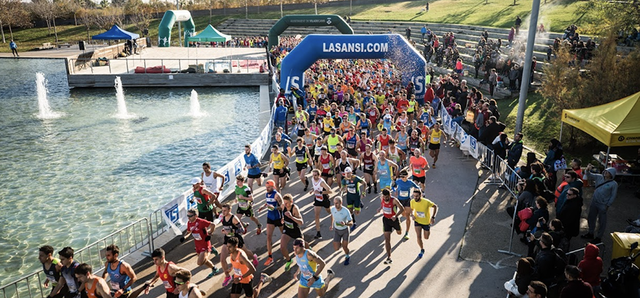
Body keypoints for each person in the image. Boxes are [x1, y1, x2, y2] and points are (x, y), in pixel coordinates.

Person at [218, 204, 258, 287]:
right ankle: (227, 276)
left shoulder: (234, 218)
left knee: (246, 252)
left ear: (229, 210)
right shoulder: (223, 218)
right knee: (222, 259)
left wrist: (231, 231)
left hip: (236, 240)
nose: (223, 212)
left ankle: (254, 258)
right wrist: (224, 230)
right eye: (222, 210)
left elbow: (242, 230)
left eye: (225, 210)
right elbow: (226, 228)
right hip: (227, 240)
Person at [581, 166, 618, 244]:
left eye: (608, 172)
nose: (605, 173)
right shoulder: (599, 177)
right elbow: (590, 175)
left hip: (603, 204)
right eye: (605, 171)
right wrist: (587, 170)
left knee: (602, 221)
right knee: (591, 217)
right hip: (594, 201)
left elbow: (613, 195)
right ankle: (590, 233)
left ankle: (599, 237)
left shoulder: (614, 184)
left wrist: (608, 205)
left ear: (611, 175)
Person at [180, 208, 221, 277]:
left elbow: (212, 225)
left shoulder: (201, 222)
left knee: (200, 262)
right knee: (204, 261)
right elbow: (189, 232)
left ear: (195, 216)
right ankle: (214, 268)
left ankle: (210, 250)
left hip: (205, 243)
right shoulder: (189, 223)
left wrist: (210, 233)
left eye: (190, 216)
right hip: (197, 244)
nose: (188, 218)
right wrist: (184, 237)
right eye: (188, 216)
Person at [258, 180, 283, 266]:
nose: (267, 189)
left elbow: (283, 207)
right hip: (270, 218)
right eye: (266, 187)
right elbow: (268, 202)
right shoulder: (267, 194)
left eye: (269, 187)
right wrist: (264, 206)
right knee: (268, 237)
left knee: (284, 234)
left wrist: (275, 208)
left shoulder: (277, 195)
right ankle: (270, 256)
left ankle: (288, 247)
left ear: (273, 187)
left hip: (278, 218)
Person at [378, 189, 405, 265]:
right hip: (386, 220)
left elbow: (402, 208)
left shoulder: (394, 200)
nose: (386, 198)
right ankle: (389, 257)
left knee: (399, 233)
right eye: (384, 197)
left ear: (390, 195)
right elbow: (382, 204)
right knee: (387, 239)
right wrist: (380, 208)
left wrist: (395, 216)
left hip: (394, 220)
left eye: (387, 197)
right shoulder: (381, 198)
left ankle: (398, 228)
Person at [410, 189, 438, 259]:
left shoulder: (426, 202)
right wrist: (412, 215)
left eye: (416, 196)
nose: (415, 197)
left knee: (426, 237)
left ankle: (428, 231)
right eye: (414, 196)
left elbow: (435, 206)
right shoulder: (412, 201)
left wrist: (433, 217)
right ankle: (422, 249)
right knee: (418, 236)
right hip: (417, 221)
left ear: (420, 195)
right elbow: (411, 209)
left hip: (426, 222)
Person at [394, 170, 421, 240]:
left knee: (408, 216)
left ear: (406, 176)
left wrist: (418, 194)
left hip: (407, 200)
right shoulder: (398, 181)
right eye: (401, 177)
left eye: (403, 176)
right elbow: (393, 186)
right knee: (403, 214)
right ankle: (401, 219)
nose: (402, 178)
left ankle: (407, 232)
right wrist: (395, 191)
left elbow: (417, 187)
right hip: (400, 200)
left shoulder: (410, 182)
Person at [280, 194, 304, 272]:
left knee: (303, 247)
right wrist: (283, 219)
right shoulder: (284, 206)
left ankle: (308, 252)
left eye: (287, 203)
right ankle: (289, 260)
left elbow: (301, 222)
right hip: (287, 229)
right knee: (282, 246)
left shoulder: (295, 208)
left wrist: (291, 217)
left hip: (295, 230)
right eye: (284, 203)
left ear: (291, 202)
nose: (285, 204)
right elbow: (283, 214)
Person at [340, 167, 366, 231]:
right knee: (350, 211)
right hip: (349, 197)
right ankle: (354, 223)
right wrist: (342, 192)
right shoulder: (344, 180)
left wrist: (363, 192)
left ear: (351, 173)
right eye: (346, 173)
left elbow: (364, 183)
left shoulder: (355, 178)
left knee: (357, 213)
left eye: (349, 173)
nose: (347, 175)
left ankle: (359, 203)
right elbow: (342, 188)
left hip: (356, 196)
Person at [330, 196, 353, 265]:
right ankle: (340, 243)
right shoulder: (333, 209)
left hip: (345, 230)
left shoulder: (346, 211)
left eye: (337, 203)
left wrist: (345, 223)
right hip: (337, 230)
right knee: (336, 248)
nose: (335, 205)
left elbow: (351, 222)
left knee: (345, 247)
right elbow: (332, 216)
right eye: (334, 203)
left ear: (341, 203)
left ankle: (347, 256)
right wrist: (331, 225)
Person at [309, 169, 332, 239]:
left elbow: (330, 191)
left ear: (319, 175)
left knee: (329, 211)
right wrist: (312, 190)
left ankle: (335, 215)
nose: (314, 177)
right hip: (318, 200)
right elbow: (315, 187)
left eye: (315, 175)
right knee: (316, 216)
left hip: (324, 199)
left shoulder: (321, 182)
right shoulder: (312, 179)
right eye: (313, 175)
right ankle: (318, 233)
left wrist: (320, 192)